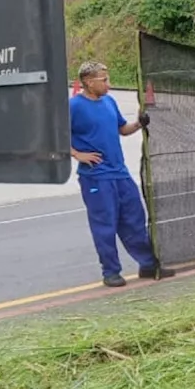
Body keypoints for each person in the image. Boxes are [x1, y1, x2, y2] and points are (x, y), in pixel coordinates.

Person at [69, 62, 160, 288]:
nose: (109, 84)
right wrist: (77, 154)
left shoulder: (109, 101)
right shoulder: (74, 106)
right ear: (89, 82)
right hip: (96, 176)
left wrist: (139, 123)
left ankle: (148, 263)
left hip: (119, 172)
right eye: (104, 80)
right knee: (105, 224)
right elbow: (54, 135)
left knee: (134, 218)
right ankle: (111, 271)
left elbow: (122, 129)